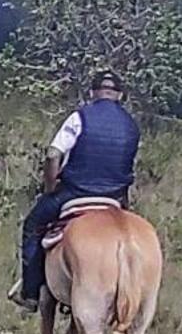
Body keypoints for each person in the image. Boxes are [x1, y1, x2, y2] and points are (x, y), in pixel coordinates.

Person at [8, 68, 140, 312]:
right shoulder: (132, 126)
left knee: (32, 226)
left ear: (93, 92)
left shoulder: (80, 117)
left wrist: (50, 187)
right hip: (115, 197)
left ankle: (30, 293)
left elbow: (52, 153)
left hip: (75, 192)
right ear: (120, 96)